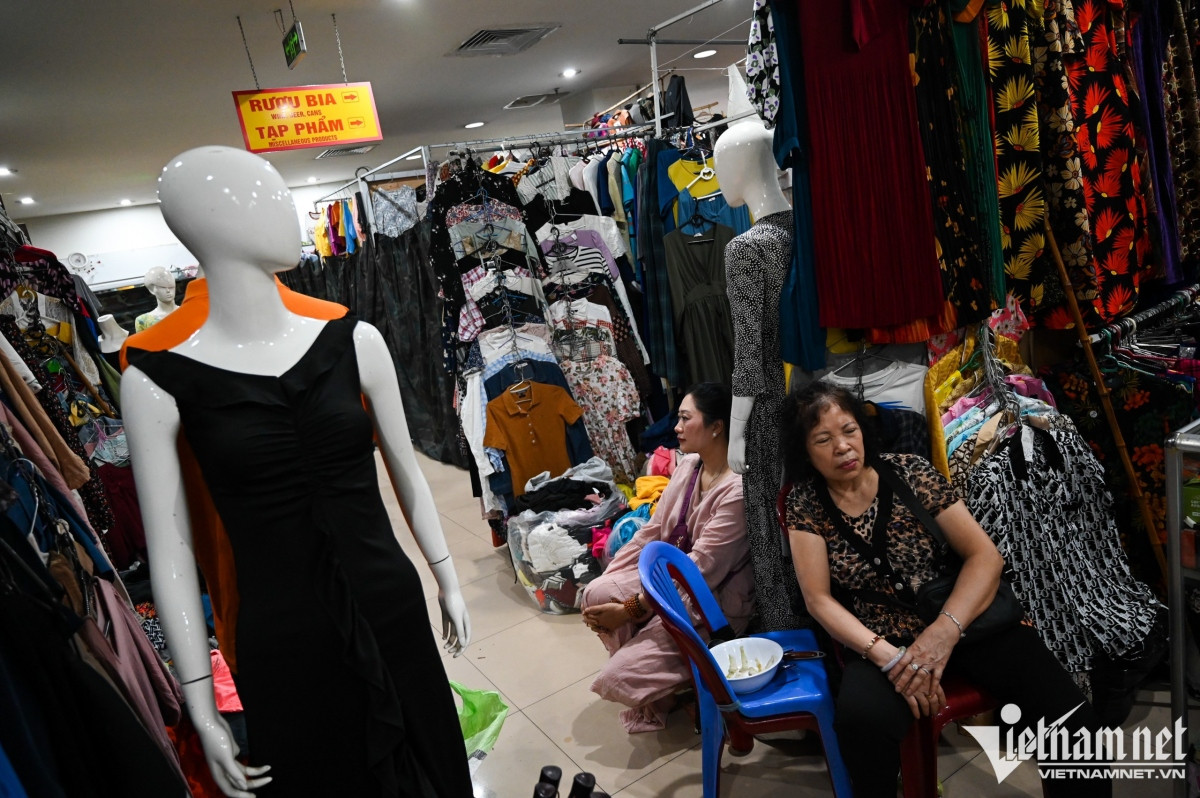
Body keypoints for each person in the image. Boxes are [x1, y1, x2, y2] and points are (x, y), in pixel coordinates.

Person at [123, 145, 472, 797]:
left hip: (389, 603)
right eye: (271, 197)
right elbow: (170, 553)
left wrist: (445, 578)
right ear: (210, 222)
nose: (292, 213)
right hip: (281, 638)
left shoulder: (356, 340)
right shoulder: (154, 380)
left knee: (432, 769)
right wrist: (199, 700)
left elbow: (408, 476)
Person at [781, 381, 1110, 797]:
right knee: (860, 723)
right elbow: (819, 599)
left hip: (964, 620)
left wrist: (944, 631)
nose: (843, 447)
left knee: (1073, 727)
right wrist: (889, 658)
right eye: (823, 439)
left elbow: (985, 557)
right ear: (805, 451)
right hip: (884, 641)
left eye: (849, 430)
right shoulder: (805, 503)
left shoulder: (910, 472)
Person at [581, 382, 754, 733]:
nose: (675, 427)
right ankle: (664, 664)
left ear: (717, 426)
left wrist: (631, 608)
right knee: (596, 594)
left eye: (685, 419)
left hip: (711, 601)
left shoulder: (736, 490)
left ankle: (685, 685)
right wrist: (615, 577)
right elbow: (652, 529)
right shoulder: (690, 465)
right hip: (669, 580)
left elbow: (699, 571)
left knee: (619, 678)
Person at [134, 266, 180, 332]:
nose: (168, 290)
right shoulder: (143, 321)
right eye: (162, 287)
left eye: (171, 287)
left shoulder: (189, 312)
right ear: (152, 290)